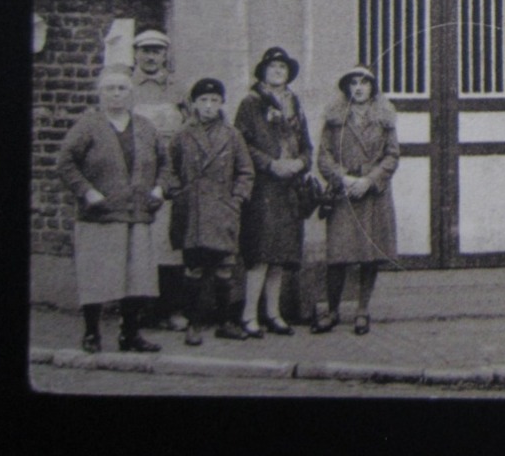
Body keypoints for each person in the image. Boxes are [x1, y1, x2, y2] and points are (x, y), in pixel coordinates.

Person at [56, 67, 173, 353]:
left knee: (137, 277)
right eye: (110, 89)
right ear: (100, 94)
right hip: (100, 215)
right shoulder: (88, 126)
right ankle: (92, 333)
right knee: (96, 274)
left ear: (131, 93)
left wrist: (159, 188)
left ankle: (130, 335)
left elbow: (165, 163)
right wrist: (88, 192)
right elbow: (65, 163)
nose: (116, 94)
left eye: (122, 88)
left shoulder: (145, 127)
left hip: (137, 214)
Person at [314, 66, 399, 335]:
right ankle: (332, 310)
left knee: (369, 256)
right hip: (344, 193)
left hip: (373, 194)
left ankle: (362, 310)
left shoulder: (385, 119)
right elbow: (324, 156)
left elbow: (392, 156)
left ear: (373, 88)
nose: (359, 87)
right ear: (346, 88)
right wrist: (344, 179)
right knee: (338, 255)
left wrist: (369, 180)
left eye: (364, 83)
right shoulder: (335, 119)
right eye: (353, 83)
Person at [169, 78, 255, 345]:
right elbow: (168, 168)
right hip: (192, 210)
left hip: (222, 211)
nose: (209, 106)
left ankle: (226, 322)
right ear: (194, 104)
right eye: (203, 101)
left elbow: (246, 171)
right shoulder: (182, 135)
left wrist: (236, 198)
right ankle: (193, 324)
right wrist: (177, 193)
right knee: (193, 267)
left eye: (214, 101)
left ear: (222, 104)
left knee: (224, 268)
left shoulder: (232, 135)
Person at [235, 46, 312, 336]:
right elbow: (242, 145)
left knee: (280, 255)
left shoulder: (295, 102)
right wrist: (270, 165)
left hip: (289, 187)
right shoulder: (250, 103)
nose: (278, 72)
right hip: (264, 187)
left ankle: (273, 313)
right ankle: (248, 315)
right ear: (263, 72)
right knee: (261, 254)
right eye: (272, 67)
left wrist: (300, 163)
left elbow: (306, 144)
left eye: (283, 68)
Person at [128, 29, 188, 331]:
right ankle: (141, 310)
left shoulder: (178, 89)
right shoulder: (126, 88)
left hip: (170, 176)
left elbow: (189, 130)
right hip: (136, 176)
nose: (151, 57)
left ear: (166, 55)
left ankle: (172, 308)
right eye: (145, 51)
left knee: (169, 243)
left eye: (157, 51)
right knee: (140, 242)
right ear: (135, 53)